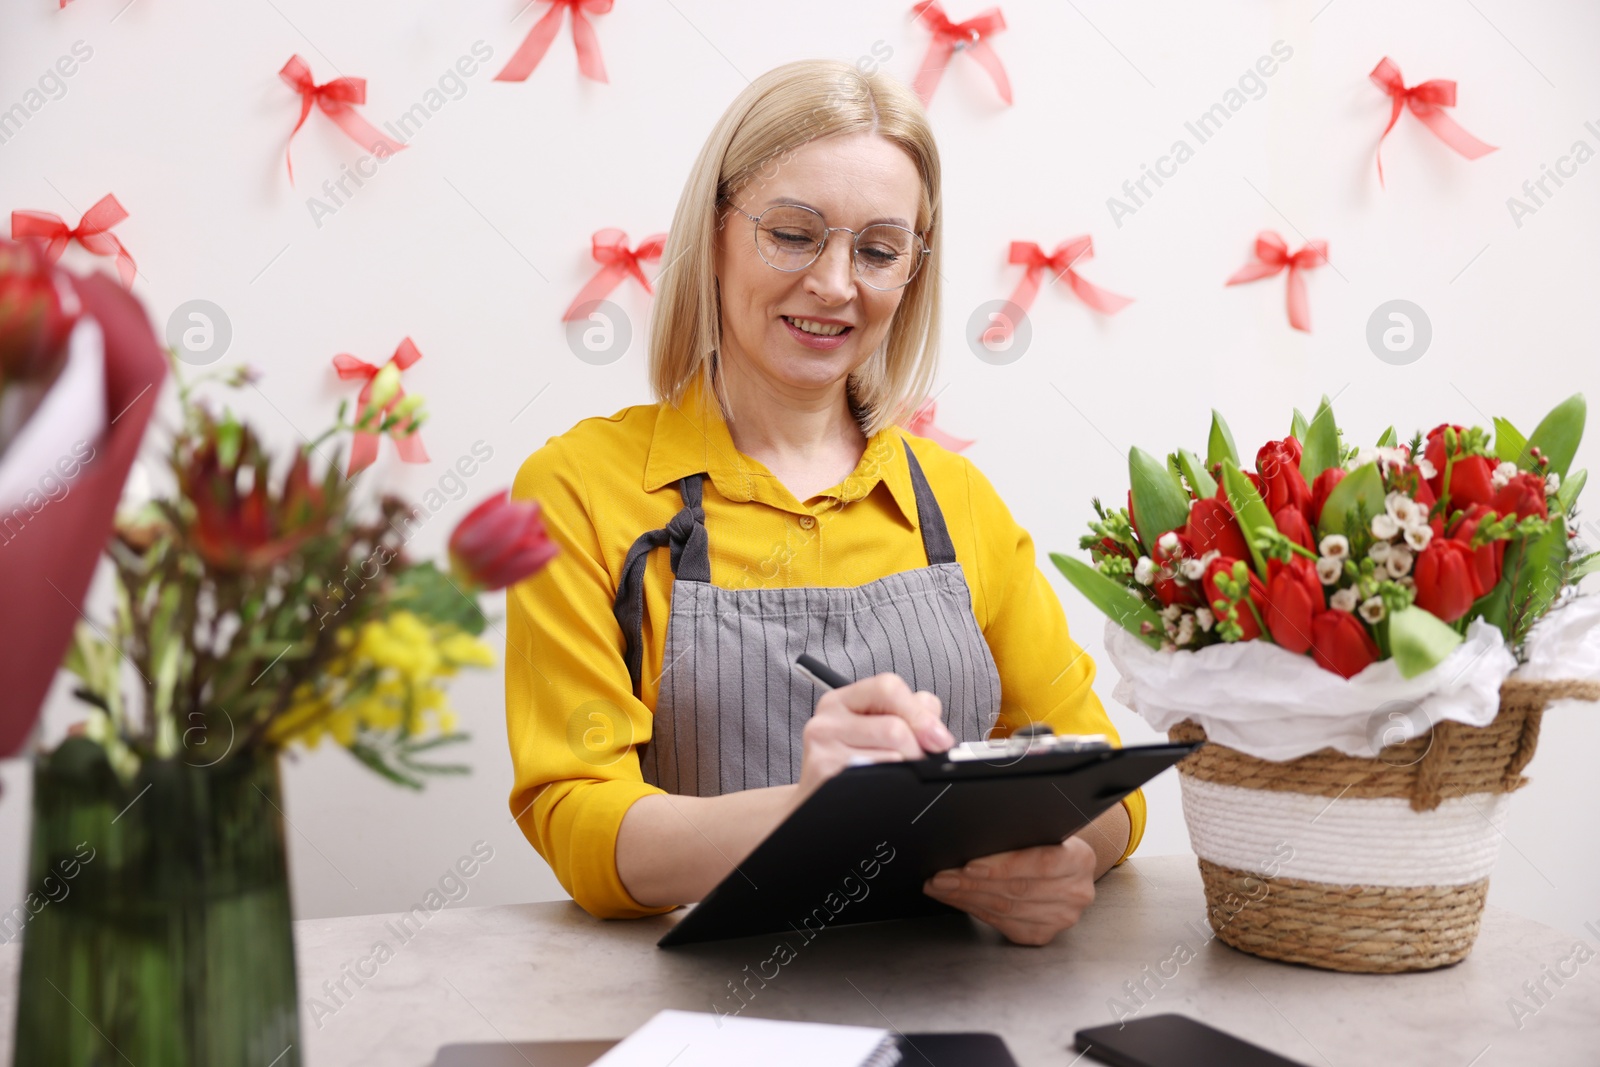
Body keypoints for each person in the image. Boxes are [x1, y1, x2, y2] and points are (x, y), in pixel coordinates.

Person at [505, 58, 1144, 947]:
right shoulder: (578, 488)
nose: (837, 284)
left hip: (952, 1002)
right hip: (704, 1014)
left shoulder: (956, 500)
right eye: (795, 234)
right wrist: (817, 815)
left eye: (879, 250)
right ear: (717, 231)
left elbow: (1100, 774)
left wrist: (1066, 853)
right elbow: (577, 819)